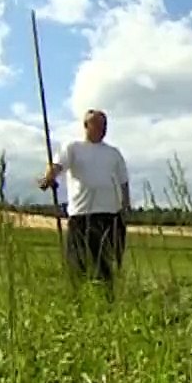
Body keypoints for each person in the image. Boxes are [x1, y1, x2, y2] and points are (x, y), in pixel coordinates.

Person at [37, 108, 130, 297]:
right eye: (98, 124)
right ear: (86, 126)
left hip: (110, 216)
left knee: (106, 264)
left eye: (105, 125)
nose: (102, 129)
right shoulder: (73, 148)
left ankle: (108, 300)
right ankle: (78, 301)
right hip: (82, 215)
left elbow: (123, 182)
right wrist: (48, 178)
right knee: (78, 264)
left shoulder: (114, 153)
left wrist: (125, 207)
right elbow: (57, 166)